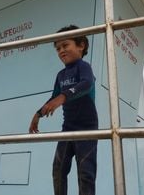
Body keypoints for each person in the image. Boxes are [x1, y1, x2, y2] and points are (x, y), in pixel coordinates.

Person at [29, 25, 98, 195]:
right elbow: (53, 98)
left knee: (86, 174)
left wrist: (64, 96)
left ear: (81, 45)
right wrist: (38, 114)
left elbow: (86, 84)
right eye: (58, 48)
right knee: (58, 170)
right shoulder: (61, 75)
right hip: (68, 128)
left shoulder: (84, 67)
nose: (61, 51)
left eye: (65, 45)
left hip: (87, 129)